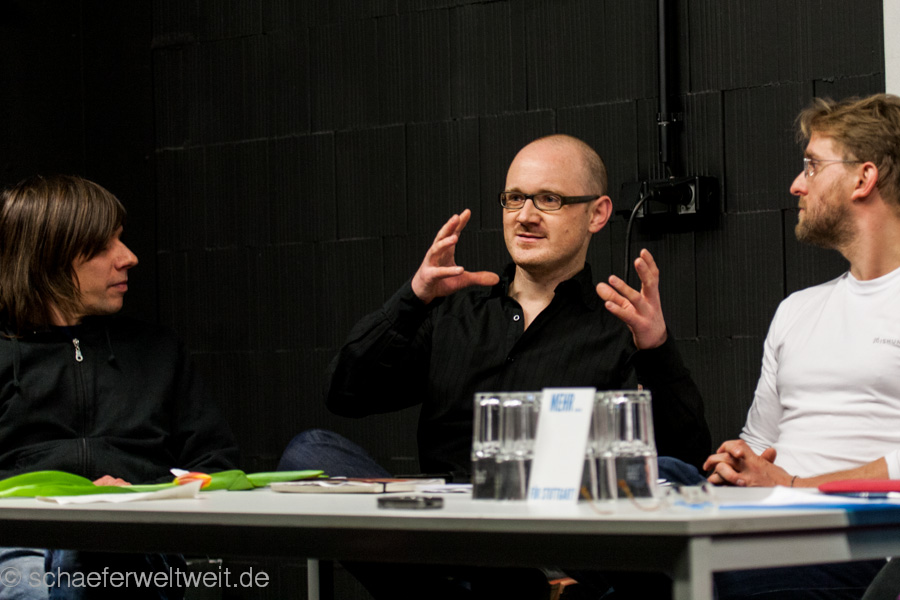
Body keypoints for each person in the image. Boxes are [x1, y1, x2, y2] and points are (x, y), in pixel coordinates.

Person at [280, 134, 711, 598]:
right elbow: (344, 392)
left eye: (549, 199)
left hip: (549, 544)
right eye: (515, 198)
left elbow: (686, 465)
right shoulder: (454, 313)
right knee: (310, 453)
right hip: (443, 535)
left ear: (597, 214)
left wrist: (657, 348)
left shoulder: (619, 329)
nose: (525, 215)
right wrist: (413, 297)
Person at [0, 175, 239, 599]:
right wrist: (66, 500)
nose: (128, 257)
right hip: (20, 539)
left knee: (95, 554)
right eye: (102, 246)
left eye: (121, 239)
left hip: (136, 541)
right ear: (47, 258)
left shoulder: (158, 351)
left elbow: (216, 466)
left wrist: (144, 496)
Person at [700, 94, 900, 598]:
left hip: (862, 547)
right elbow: (759, 443)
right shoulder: (797, 310)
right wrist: (739, 468)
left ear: (863, 178)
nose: (796, 183)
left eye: (812, 165)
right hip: (768, 525)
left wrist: (792, 489)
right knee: (657, 478)